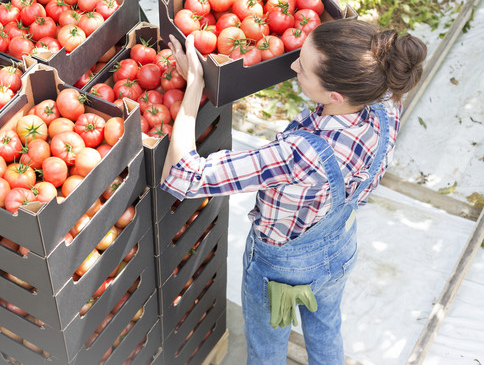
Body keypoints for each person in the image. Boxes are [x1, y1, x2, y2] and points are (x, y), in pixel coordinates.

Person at [160, 19, 427, 364]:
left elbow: (184, 177)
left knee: (267, 346)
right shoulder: (384, 100)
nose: (293, 65)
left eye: (303, 68)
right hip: (338, 249)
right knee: (326, 328)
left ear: (334, 96)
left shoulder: (301, 154)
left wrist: (194, 87)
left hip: (280, 270)